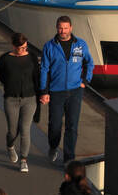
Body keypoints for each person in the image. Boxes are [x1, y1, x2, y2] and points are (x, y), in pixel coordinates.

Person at [38, 15, 93, 164]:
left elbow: (89, 62)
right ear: (57, 28)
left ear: (71, 28)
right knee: (54, 125)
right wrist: (44, 91)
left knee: (72, 126)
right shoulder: (49, 46)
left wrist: (85, 81)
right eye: (60, 28)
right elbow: (44, 69)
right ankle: (53, 146)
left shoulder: (80, 45)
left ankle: (69, 159)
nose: (63, 31)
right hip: (56, 92)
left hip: (75, 91)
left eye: (66, 28)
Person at [0, 32, 41, 172]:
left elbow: (37, 76)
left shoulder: (32, 57)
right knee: (12, 131)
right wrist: (11, 86)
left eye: (25, 47)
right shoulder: (4, 59)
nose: (23, 50)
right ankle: (10, 146)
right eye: (20, 48)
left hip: (29, 99)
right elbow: (2, 75)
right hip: (11, 99)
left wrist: (42, 93)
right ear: (13, 46)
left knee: (25, 129)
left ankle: (23, 160)